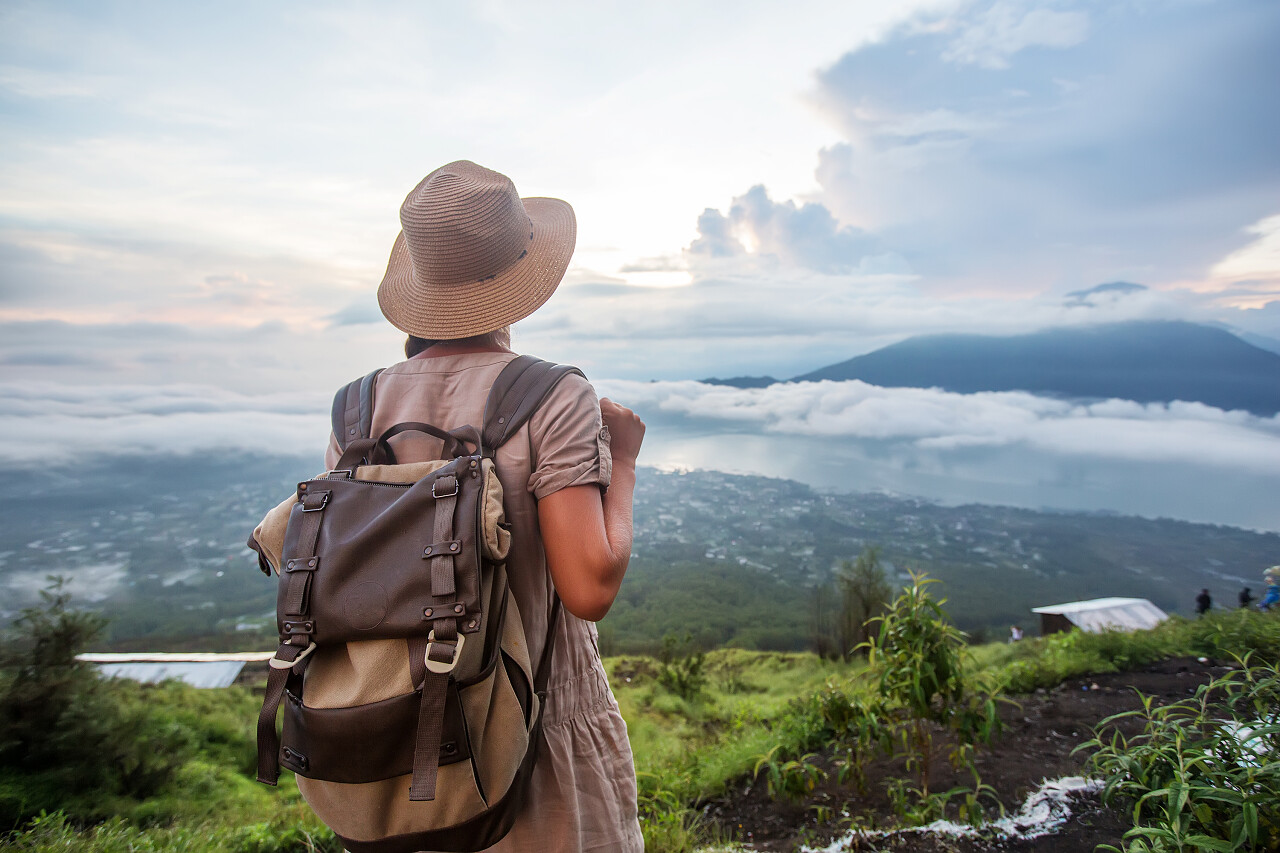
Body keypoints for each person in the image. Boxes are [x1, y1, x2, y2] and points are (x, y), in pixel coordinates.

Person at [322, 161, 645, 852]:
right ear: (520, 281)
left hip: (396, 744)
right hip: (532, 744)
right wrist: (624, 462)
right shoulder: (551, 396)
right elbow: (589, 586)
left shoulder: (357, 410)